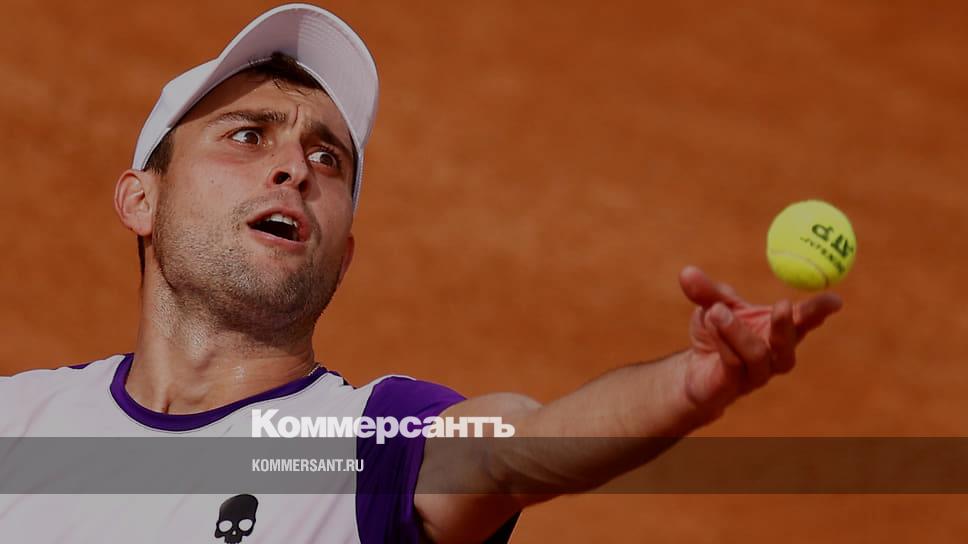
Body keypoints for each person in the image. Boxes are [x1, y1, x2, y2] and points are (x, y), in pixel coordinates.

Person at [0, 4, 842, 543]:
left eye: (328, 158)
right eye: (248, 135)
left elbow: (517, 451)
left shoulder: (367, 446)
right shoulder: (20, 423)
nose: (295, 167)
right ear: (141, 199)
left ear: (344, 254)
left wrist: (685, 388)